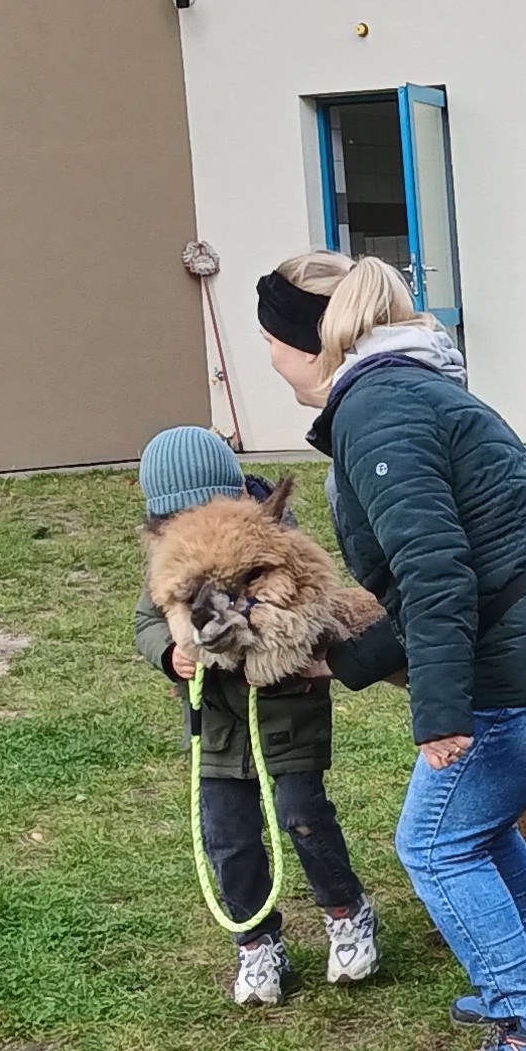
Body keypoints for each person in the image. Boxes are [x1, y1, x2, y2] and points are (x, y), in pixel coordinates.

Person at [253, 252, 526, 1051]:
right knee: (482, 820)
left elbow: (436, 573)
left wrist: (439, 715)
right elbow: (441, 580)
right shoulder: (409, 390)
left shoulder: (377, 410)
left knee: (435, 842)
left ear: (308, 341)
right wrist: (346, 662)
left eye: (271, 342)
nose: (270, 361)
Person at [135, 425, 382, 1008]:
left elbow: (312, 602)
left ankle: (346, 912)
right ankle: (256, 943)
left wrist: (280, 646)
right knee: (227, 835)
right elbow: (149, 619)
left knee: (303, 816)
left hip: (287, 711)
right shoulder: (174, 557)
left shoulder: (273, 543)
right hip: (217, 724)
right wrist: (170, 655)